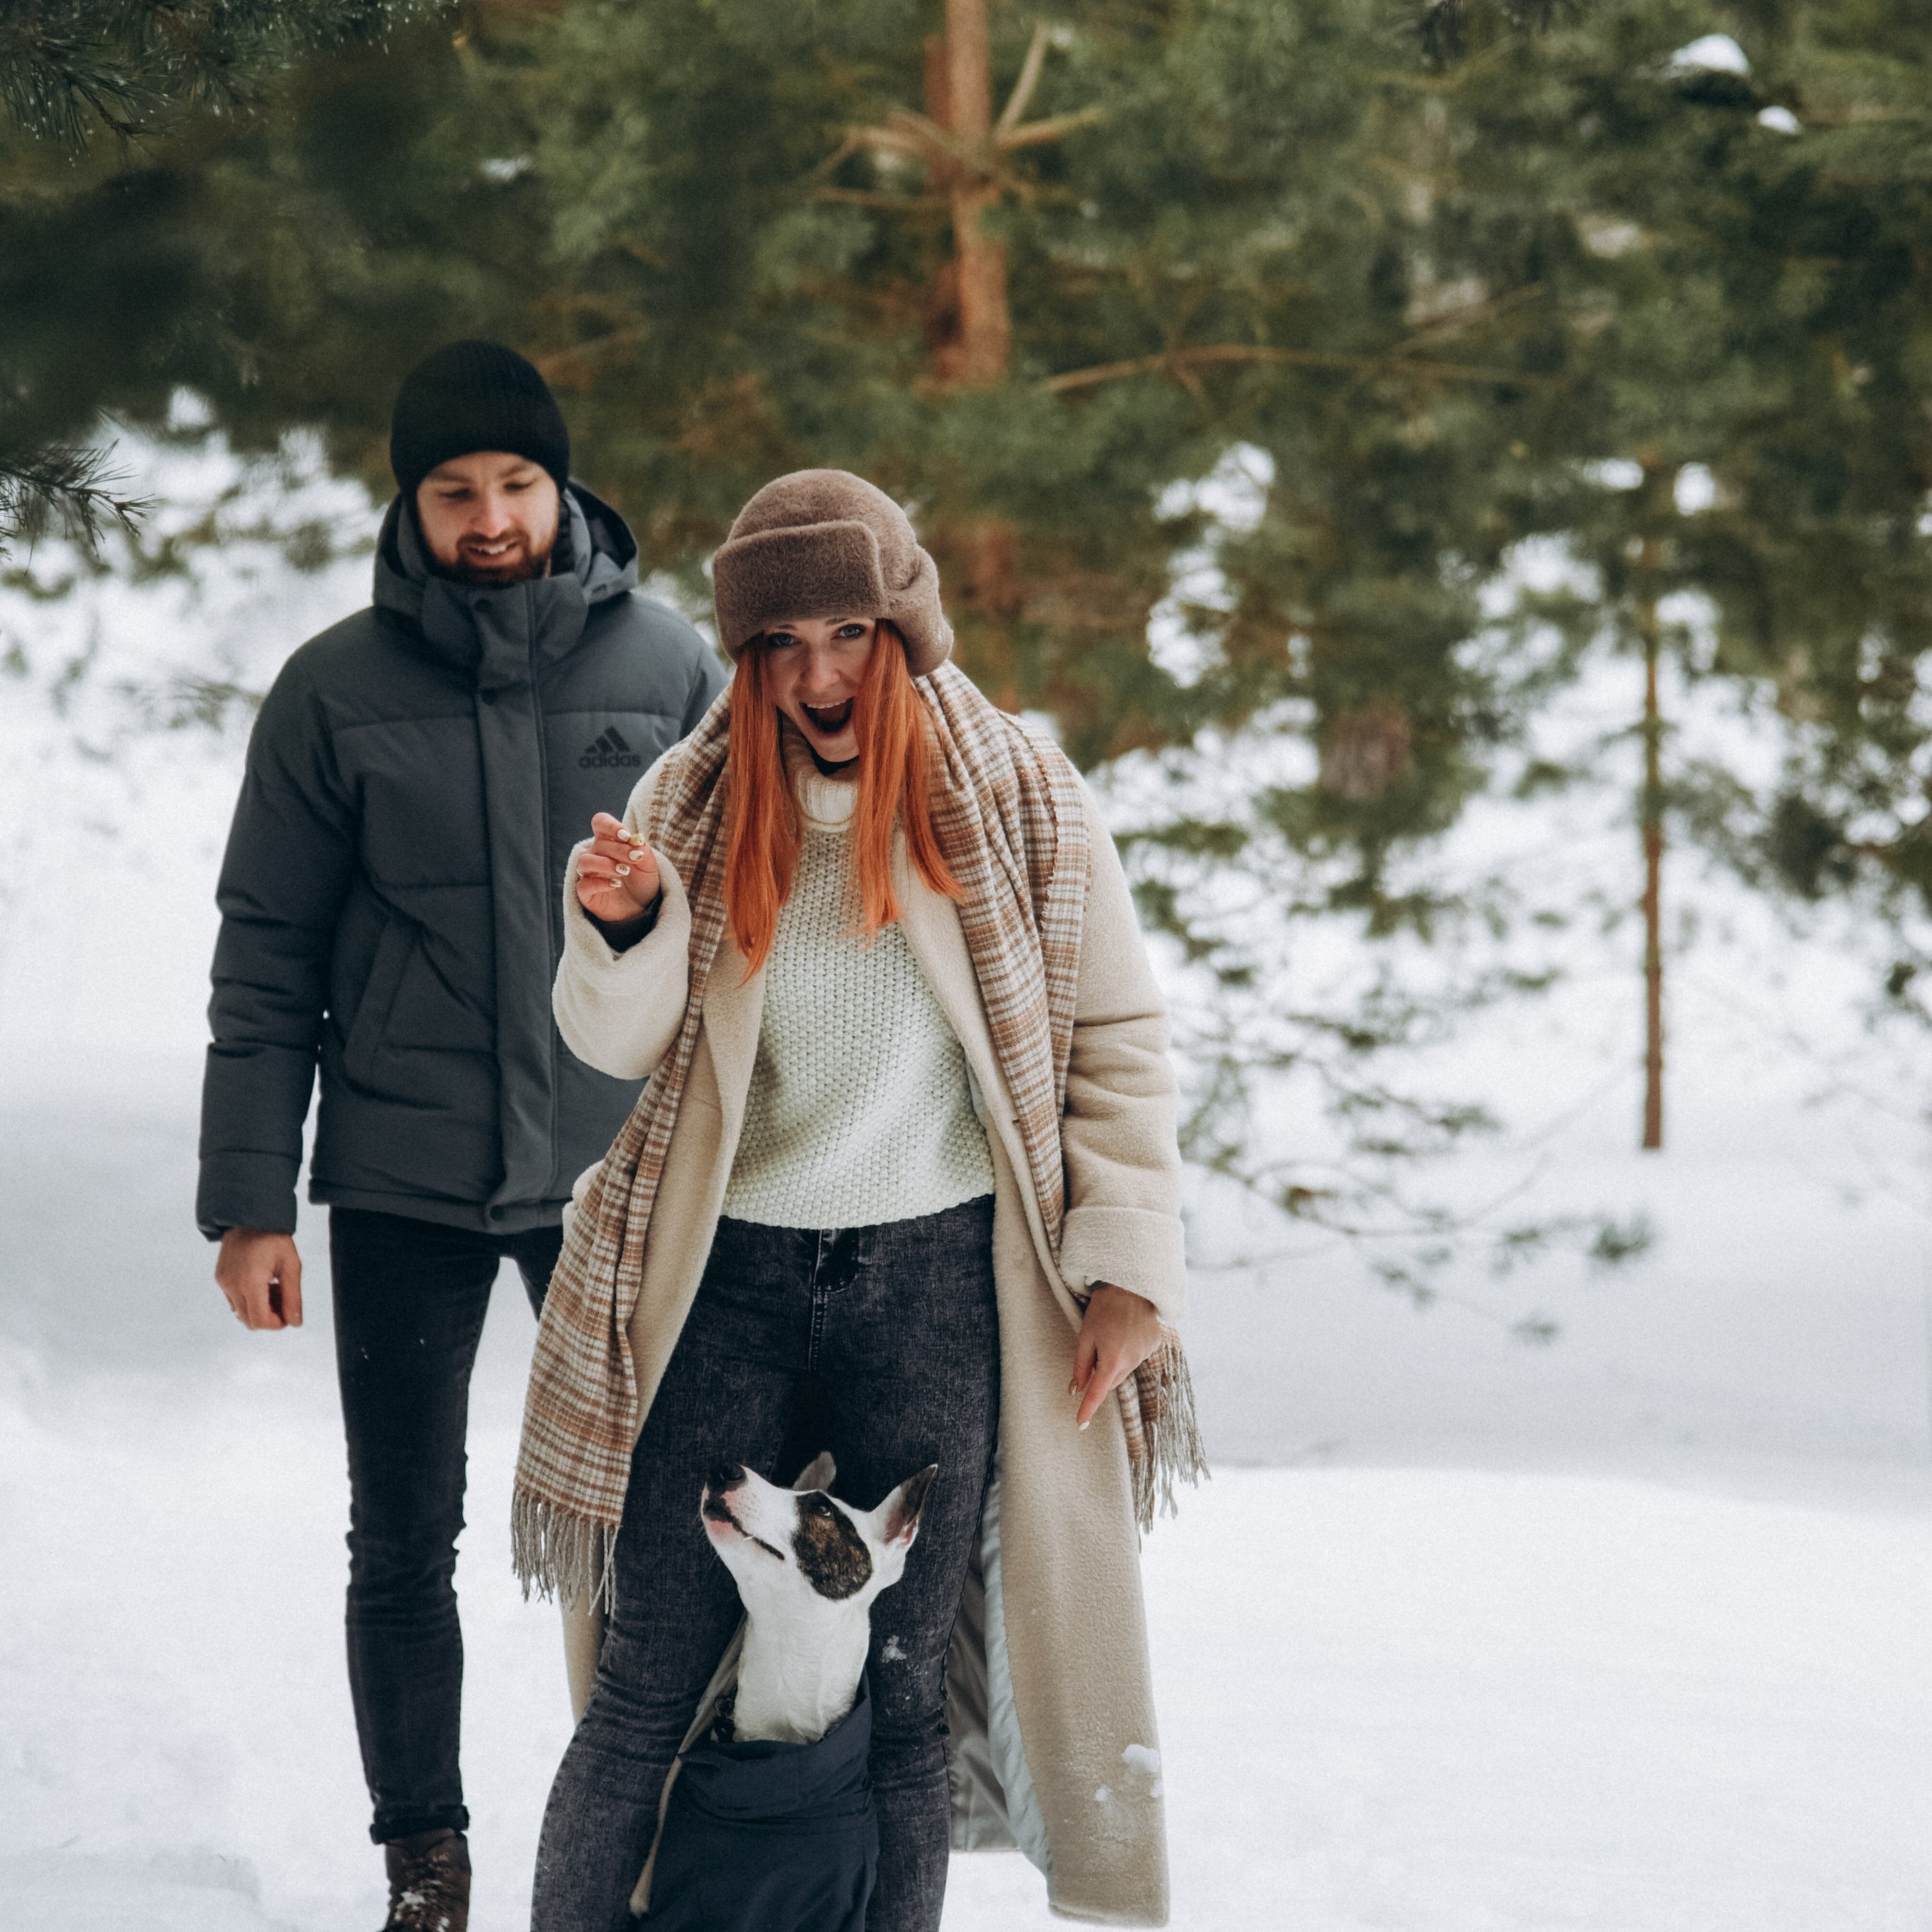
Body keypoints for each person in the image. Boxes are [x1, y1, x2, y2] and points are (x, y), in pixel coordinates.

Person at [514, 469, 1201, 1931]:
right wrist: (622, 925)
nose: (815, 675)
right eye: (778, 645)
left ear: (901, 626)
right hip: (726, 1283)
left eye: (845, 633)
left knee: (899, 1705)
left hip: (941, 1283)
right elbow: (612, 1043)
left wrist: (1127, 1265)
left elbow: (1113, 1038)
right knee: (643, 1688)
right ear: (745, 655)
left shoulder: (1015, 790)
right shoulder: (688, 800)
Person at [195, 340, 726, 1932]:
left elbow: (750, 929)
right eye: (453, 491)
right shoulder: (333, 689)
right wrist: (249, 1198)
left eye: (513, 484)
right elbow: (266, 945)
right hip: (407, 1174)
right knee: (403, 1528)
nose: (487, 516)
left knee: (665, 1516)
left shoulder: (669, 665)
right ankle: (425, 1862)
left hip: (615, 1173)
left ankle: (653, 1845)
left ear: (561, 488)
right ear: (409, 502)